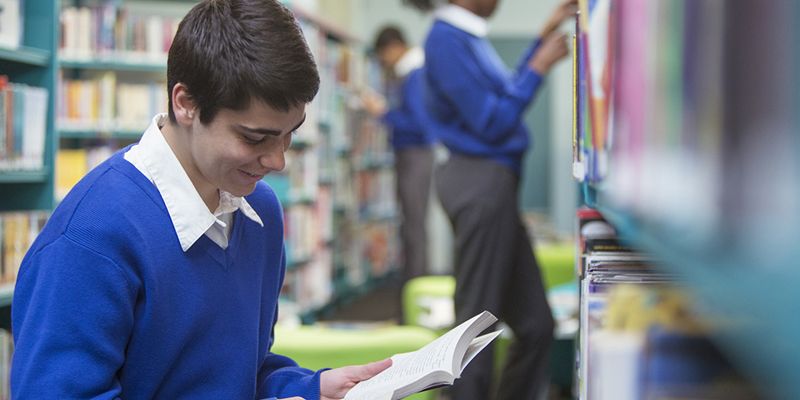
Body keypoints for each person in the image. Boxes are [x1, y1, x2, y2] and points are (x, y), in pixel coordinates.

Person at [11, 0, 390, 398]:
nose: (278, 160)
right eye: (254, 137)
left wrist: (311, 387)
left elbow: (240, 374)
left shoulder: (260, 212)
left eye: (289, 133)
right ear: (186, 103)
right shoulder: (91, 237)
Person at [404, 0, 576, 399]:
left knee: (536, 325)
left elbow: (502, 94)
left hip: (493, 184)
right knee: (477, 326)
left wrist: (539, 41)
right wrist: (539, 67)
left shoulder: (464, 36)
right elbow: (493, 120)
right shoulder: (446, 40)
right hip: (479, 183)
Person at [362, 25, 435, 293]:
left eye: (384, 56)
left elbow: (419, 124)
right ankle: (415, 287)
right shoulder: (412, 74)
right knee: (413, 224)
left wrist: (383, 113)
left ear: (394, 47)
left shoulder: (413, 75)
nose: (384, 63)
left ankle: (416, 290)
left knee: (414, 226)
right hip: (414, 155)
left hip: (415, 154)